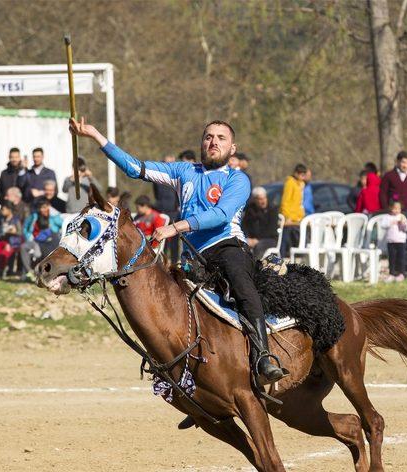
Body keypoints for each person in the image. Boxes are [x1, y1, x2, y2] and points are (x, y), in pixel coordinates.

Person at [69, 116, 288, 387]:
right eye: (208, 137)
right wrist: (95, 136)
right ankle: (189, 385)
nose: (213, 142)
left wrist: (175, 228)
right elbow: (135, 168)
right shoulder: (185, 172)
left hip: (227, 247)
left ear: (232, 148)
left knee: (243, 288)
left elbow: (221, 215)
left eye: (221, 138)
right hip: (192, 257)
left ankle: (263, 357)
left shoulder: (238, 179)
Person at [379, 151, 407, 270]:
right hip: (393, 212)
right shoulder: (389, 176)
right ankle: (393, 268)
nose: (406, 165)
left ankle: (405, 269)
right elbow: (383, 193)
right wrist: (386, 209)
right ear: (398, 162)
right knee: (393, 241)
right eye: (403, 162)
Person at [20, 198, 63, 281]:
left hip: (52, 242)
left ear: (49, 206)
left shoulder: (54, 217)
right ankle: (29, 272)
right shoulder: (34, 216)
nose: (44, 209)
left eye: (45, 207)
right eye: (42, 207)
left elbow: (63, 225)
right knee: (23, 247)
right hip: (37, 241)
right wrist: (28, 237)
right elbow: (25, 228)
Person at [152, 155, 180, 262]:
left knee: (174, 241)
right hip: (162, 212)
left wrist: (177, 207)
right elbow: (156, 193)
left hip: (174, 212)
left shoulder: (177, 176)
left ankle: (174, 262)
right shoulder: (158, 178)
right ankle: (162, 261)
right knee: (163, 240)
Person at [241, 186, 279, 259]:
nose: (263, 201)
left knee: (259, 246)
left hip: (270, 239)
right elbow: (244, 226)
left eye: (264, 198)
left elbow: (271, 230)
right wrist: (247, 237)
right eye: (260, 199)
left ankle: (256, 266)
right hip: (252, 239)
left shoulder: (272, 210)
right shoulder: (250, 210)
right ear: (255, 200)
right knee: (240, 244)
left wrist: (257, 240)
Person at [279, 164, 307, 258]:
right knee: (285, 241)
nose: (303, 178)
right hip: (289, 218)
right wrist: (287, 216)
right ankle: (282, 258)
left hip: (297, 218)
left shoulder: (300, 184)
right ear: (296, 173)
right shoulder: (290, 183)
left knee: (297, 241)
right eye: (301, 175)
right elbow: (285, 201)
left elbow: (299, 203)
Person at [380, 200, 407, 282]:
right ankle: (392, 274)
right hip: (391, 241)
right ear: (390, 208)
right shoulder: (387, 217)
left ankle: (401, 274)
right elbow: (383, 225)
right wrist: (391, 222)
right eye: (394, 208)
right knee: (392, 258)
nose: (396, 210)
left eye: (398, 209)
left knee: (400, 258)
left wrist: (403, 223)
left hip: (401, 241)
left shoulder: (402, 217)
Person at [0, 202, 23, 278]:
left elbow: (20, 233)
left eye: (4, 209)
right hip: (2, 241)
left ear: (9, 210)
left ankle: (1, 271)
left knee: (4, 254)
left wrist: (14, 232)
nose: (2, 211)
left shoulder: (15, 220)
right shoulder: (2, 220)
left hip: (12, 242)